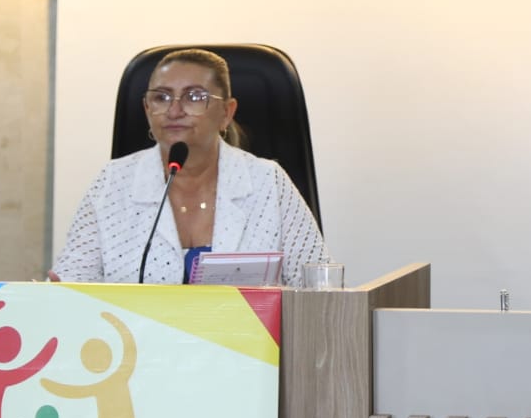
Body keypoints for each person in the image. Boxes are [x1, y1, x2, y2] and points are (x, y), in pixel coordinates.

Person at [51, 48, 326, 285]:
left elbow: (319, 288)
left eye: (194, 97)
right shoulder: (113, 183)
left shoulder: (268, 182)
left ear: (226, 112)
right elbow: (74, 282)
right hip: (135, 333)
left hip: (249, 333)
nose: (174, 111)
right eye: (161, 97)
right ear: (147, 110)